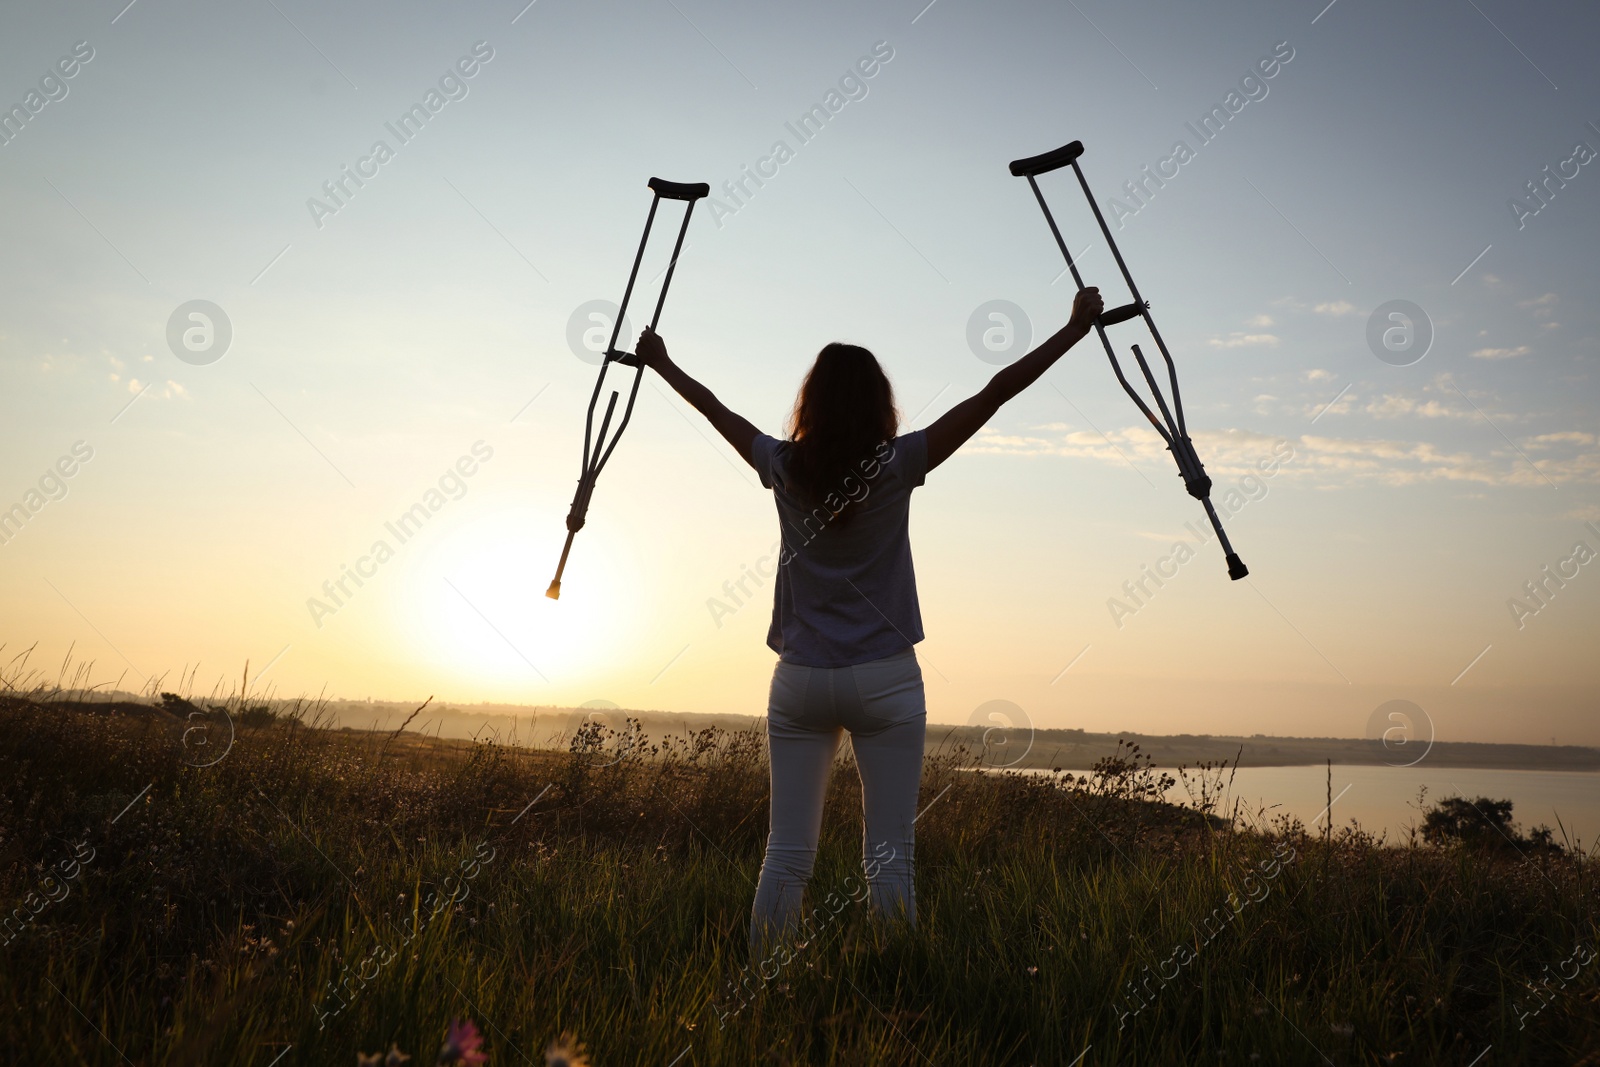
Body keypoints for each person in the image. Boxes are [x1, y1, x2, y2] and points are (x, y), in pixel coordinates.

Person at [631, 285, 1105, 949]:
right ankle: (897, 982)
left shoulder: (781, 465)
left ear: (811, 404)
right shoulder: (900, 463)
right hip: (885, 678)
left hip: (800, 681)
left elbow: (717, 410)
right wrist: (1074, 329)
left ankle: (762, 987)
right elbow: (996, 391)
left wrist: (661, 361)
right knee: (890, 855)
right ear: (877, 404)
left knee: (787, 853)